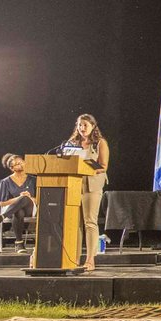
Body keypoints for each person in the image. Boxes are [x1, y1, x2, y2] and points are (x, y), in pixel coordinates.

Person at [61, 113, 110, 270]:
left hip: (92, 185)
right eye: (79, 125)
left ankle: (90, 260)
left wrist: (86, 168)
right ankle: (73, 259)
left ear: (93, 126)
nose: (82, 128)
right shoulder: (71, 143)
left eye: (85, 125)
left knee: (89, 222)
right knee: (75, 223)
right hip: (74, 184)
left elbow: (103, 166)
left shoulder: (99, 143)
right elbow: (63, 163)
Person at [0, 153, 36, 251]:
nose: (21, 164)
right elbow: (2, 203)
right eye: (17, 164)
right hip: (14, 210)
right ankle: (19, 244)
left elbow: (40, 198)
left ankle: (1, 217)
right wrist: (19, 198)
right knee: (19, 211)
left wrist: (29, 197)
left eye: (21, 162)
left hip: (30, 208)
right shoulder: (5, 182)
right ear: (12, 168)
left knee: (25, 198)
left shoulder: (33, 179)